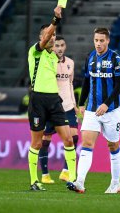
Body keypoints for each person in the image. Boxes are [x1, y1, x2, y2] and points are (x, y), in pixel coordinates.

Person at [67, 27, 120, 194]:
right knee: (87, 143)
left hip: (112, 110)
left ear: (107, 41)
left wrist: (107, 103)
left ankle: (115, 183)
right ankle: (79, 182)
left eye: (101, 40)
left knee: (113, 145)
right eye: (96, 40)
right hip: (92, 109)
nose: (98, 44)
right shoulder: (90, 57)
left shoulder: (116, 58)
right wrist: (82, 103)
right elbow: (86, 81)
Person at [27, 6, 77, 191]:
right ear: (42, 38)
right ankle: (34, 181)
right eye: (49, 35)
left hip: (55, 101)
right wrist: (55, 20)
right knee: (37, 143)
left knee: (69, 140)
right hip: (38, 100)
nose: (52, 38)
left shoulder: (54, 57)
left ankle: (74, 179)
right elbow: (47, 36)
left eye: (54, 36)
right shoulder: (35, 52)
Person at [39, 36, 79, 184]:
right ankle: (45, 174)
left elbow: (70, 84)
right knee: (45, 140)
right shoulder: (48, 62)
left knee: (73, 137)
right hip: (51, 106)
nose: (60, 48)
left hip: (67, 106)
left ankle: (65, 171)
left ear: (65, 46)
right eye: (57, 45)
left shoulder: (70, 63)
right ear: (52, 46)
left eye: (62, 45)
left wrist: (74, 103)